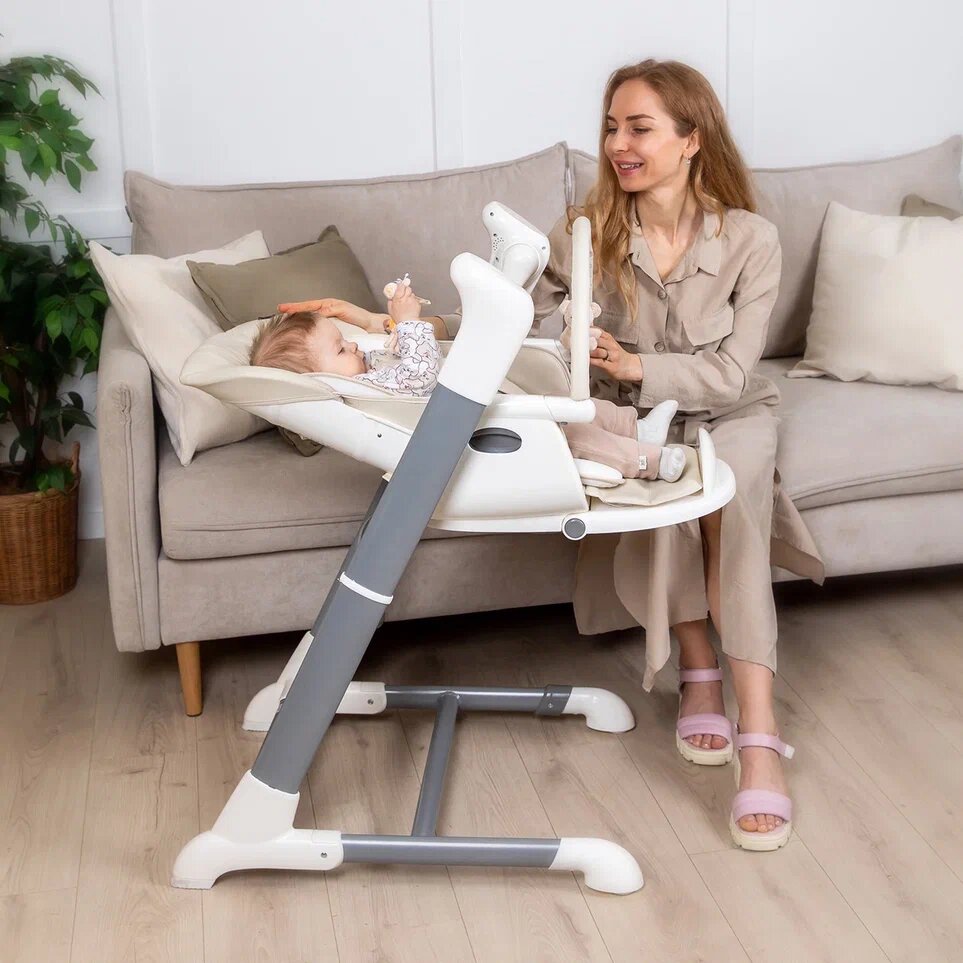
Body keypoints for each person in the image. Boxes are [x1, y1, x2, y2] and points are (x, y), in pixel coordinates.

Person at [279, 58, 825, 850]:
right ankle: (698, 671)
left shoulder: (751, 240)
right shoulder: (587, 233)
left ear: (691, 139)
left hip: (730, 409)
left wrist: (632, 363)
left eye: (638, 128)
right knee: (656, 500)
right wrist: (380, 323)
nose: (617, 144)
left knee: (729, 502)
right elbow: (499, 325)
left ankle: (760, 733)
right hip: (627, 417)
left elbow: (736, 373)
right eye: (610, 127)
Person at [255, 279, 687, 481]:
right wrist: (408, 324)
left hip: (485, 400)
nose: (352, 346)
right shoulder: (365, 392)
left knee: (580, 411)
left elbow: (391, 354)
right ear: (319, 380)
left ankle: (635, 426)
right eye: (339, 350)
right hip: (482, 429)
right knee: (572, 436)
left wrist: (388, 324)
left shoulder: (364, 369)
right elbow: (420, 376)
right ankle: (647, 460)